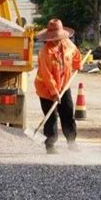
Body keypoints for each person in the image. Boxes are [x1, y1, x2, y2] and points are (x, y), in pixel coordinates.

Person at [34, 19, 82, 154]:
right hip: (46, 89)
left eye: (58, 37)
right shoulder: (45, 52)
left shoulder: (68, 45)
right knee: (51, 117)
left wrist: (78, 64)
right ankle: (50, 145)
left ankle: (72, 142)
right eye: (53, 38)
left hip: (64, 86)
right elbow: (46, 75)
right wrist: (54, 93)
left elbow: (76, 55)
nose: (56, 40)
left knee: (67, 113)